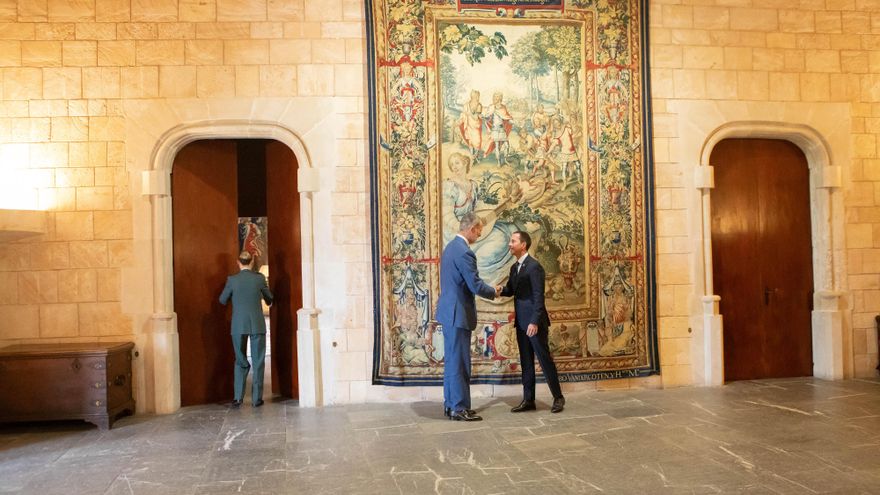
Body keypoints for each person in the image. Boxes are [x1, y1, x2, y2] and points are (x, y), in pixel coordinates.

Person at [436, 212, 497, 421]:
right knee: (459, 362)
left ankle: (450, 404)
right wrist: (494, 291)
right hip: (458, 314)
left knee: (452, 360)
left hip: (449, 312)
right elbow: (475, 285)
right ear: (471, 229)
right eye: (479, 230)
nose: (479, 234)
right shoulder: (464, 252)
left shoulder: (451, 247)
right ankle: (459, 408)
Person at [497, 231, 565, 413]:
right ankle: (528, 400)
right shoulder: (515, 268)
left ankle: (558, 398)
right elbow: (511, 290)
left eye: (513, 241)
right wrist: (499, 289)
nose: (509, 244)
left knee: (544, 360)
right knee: (526, 361)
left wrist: (534, 322)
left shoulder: (534, 267)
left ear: (523, 245)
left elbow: (538, 297)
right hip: (521, 323)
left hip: (534, 324)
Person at [219, 251, 274, 407]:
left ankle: (238, 397)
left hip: (238, 325)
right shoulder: (259, 279)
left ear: (238, 262)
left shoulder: (232, 280)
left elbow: (222, 300)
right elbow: (269, 298)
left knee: (240, 360)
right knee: (258, 361)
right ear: (252, 261)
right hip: (257, 324)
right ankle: (256, 399)